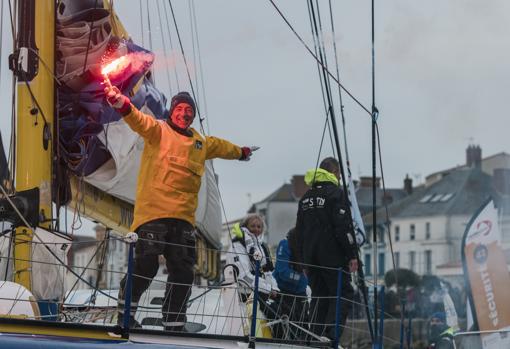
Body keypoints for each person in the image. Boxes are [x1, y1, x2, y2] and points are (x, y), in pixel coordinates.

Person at [104, 84, 256, 332]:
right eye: (180, 109)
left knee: (183, 271)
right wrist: (119, 101)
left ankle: (174, 321)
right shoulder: (158, 131)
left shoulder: (201, 143)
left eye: (189, 110)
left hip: (184, 219)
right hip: (153, 213)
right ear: (172, 111)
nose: (184, 114)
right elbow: (137, 119)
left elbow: (223, 147)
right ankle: (125, 315)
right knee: (146, 266)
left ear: (193, 116)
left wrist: (242, 152)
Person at [295, 157, 358, 341]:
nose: (339, 177)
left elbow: (299, 232)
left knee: (319, 295)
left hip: (311, 258)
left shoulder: (305, 198)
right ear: (334, 172)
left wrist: (303, 261)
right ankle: (330, 335)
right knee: (342, 292)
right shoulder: (336, 194)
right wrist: (352, 254)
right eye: (338, 173)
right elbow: (343, 227)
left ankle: (313, 335)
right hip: (333, 256)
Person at [226, 214, 279, 302]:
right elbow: (243, 277)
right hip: (244, 296)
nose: (256, 229)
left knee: (285, 309)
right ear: (245, 226)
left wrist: (274, 287)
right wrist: (268, 288)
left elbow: (268, 271)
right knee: (277, 312)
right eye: (252, 226)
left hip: (261, 293)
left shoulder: (262, 246)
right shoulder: (238, 245)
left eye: (259, 226)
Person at [272, 228, 310, 339]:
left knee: (303, 323)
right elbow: (282, 271)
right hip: (283, 291)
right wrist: (302, 279)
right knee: (287, 326)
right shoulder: (284, 244)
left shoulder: (307, 248)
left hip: (300, 292)